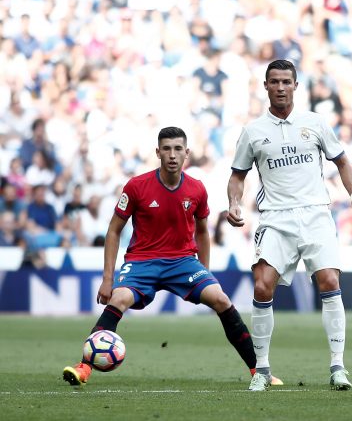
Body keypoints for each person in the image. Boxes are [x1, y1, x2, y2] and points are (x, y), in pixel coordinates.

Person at [63, 127, 261, 387]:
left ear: (187, 153)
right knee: (120, 297)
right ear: (158, 152)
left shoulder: (197, 189)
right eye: (166, 149)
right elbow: (113, 231)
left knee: (221, 298)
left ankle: (258, 371)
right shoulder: (136, 187)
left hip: (183, 262)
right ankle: (84, 367)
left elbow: (202, 232)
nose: (172, 154)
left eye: (178, 149)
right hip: (142, 261)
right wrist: (107, 279)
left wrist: (206, 272)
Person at [227, 59, 352, 391]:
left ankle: (338, 367)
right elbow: (237, 175)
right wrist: (233, 202)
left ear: (295, 86)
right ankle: (261, 370)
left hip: (316, 213)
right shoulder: (253, 131)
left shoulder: (315, 123)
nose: (280, 87)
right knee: (262, 286)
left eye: (286, 82)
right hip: (276, 218)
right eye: (273, 82)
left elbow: (342, 161)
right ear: (265, 86)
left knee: (329, 280)